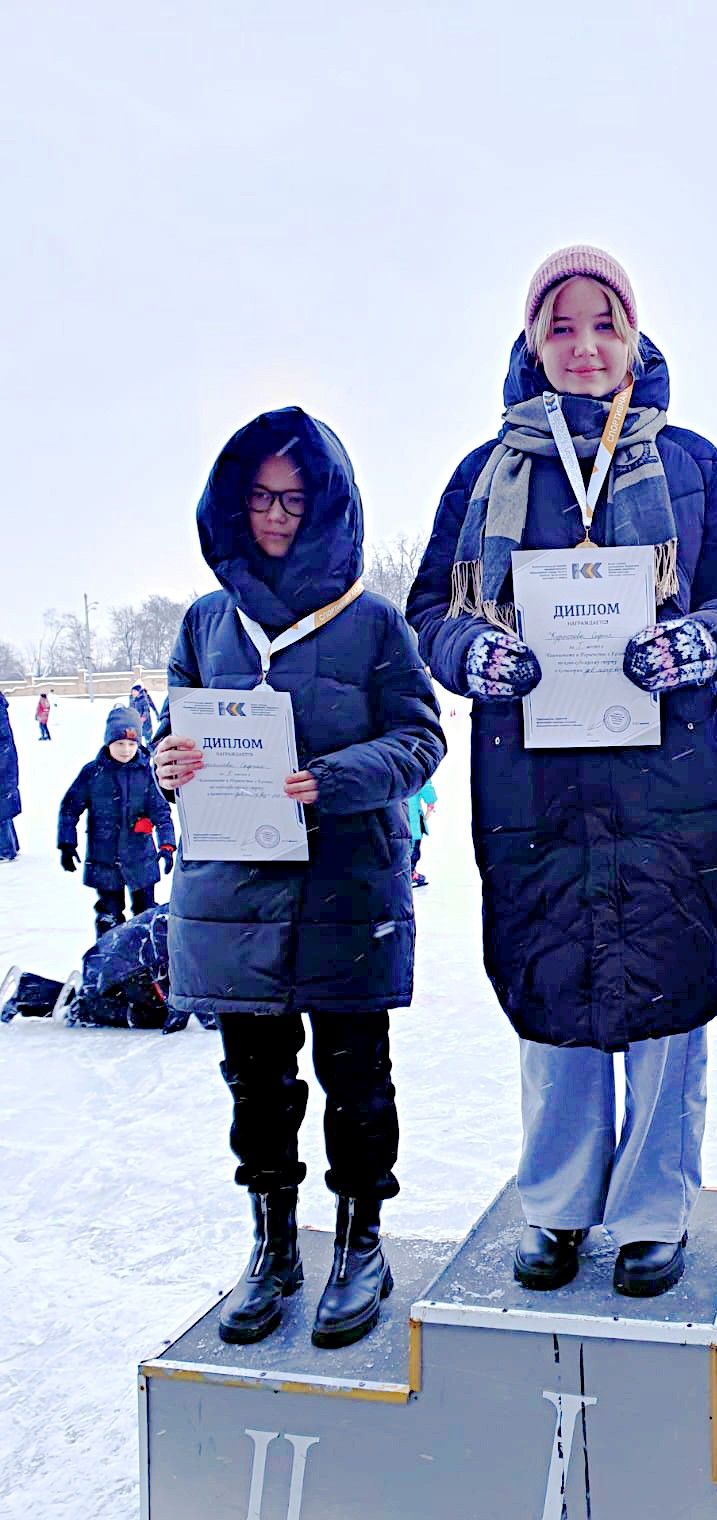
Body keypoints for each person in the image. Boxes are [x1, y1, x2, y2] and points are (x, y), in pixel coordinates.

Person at [407, 245, 717, 1298]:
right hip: (537, 786)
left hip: (668, 782)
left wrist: (696, 641)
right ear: (533, 341)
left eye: (602, 324)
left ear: (634, 338)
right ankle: (561, 1204)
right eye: (560, 326)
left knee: (665, 1001)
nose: (583, 345)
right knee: (555, 991)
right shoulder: (482, 476)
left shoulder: (695, 465)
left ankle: (655, 1209)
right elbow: (428, 611)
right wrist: (472, 653)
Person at [153, 407, 445, 1350]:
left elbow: (421, 739)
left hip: (345, 889)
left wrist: (334, 780)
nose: (277, 517)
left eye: (294, 498)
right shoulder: (206, 624)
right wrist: (170, 764)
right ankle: (273, 1246)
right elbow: (179, 730)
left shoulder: (371, 624)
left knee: (356, 1078)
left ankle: (363, 1241)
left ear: (328, 504)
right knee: (257, 1085)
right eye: (260, 499)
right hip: (233, 895)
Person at [0, 907, 217, 1033]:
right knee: (149, 1016)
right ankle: (44, 997)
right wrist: (201, 1017)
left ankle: (35, 991)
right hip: (121, 964)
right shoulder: (192, 924)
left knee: (150, 1007)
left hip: (120, 957)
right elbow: (179, 974)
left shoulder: (195, 909)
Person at [58, 705, 174, 937]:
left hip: (140, 856)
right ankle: (108, 960)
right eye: (119, 743)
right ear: (108, 742)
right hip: (104, 858)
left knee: (145, 914)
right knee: (108, 915)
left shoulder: (146, 773)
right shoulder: (93, 773)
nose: (125, 749)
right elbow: (70, 809)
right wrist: (67, 844)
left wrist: (167, 845)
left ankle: (144, 962)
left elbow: (161, 812)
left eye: (131, 744)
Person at [0, 690, 19, 861]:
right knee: (3, 806)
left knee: (1, 807)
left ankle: (5, 851)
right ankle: (12, 845)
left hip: (3, 763)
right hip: (5, 762)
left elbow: (3, 738)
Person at [407, 779, 436, 887]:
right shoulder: (417, 766)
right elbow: (425, 784)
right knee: (413, 848)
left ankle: (403, 874)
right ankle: (410, 873)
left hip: (395, 817)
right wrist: (431, 801)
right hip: (412, 818)